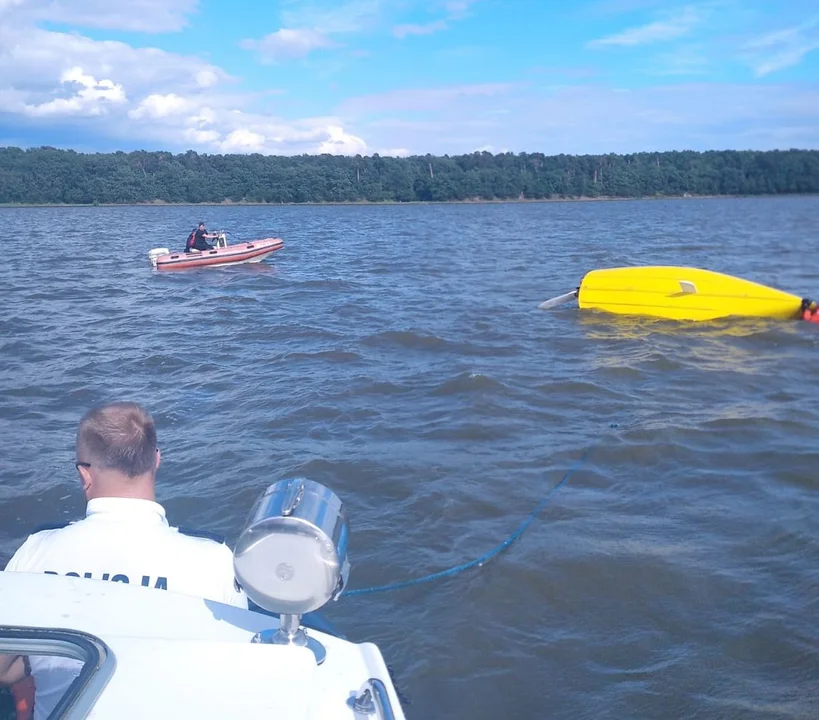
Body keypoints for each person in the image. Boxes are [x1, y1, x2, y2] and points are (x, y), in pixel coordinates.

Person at [0, 401, 246, 719]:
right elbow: (233, 674)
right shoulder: (214, 560)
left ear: (84, 475)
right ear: (156, 461)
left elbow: (4, 670)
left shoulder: (36, 551)